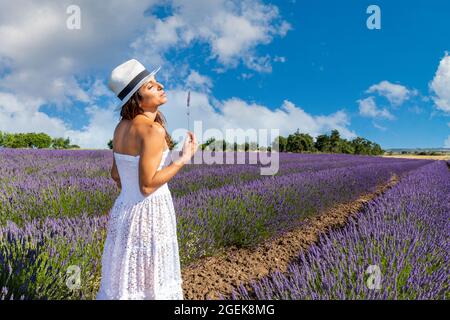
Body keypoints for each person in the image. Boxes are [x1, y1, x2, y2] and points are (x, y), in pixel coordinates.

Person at [96, 59, 198, 300]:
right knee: (152, 284)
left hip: (125, 211)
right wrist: (182, 159)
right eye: (151, 86)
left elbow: (115, 174)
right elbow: (148, 185)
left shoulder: (121, 127)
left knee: (126, 284)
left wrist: (130, 189)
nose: (160, 86)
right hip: (150, 213)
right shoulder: (152, 131)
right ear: (138, 99)